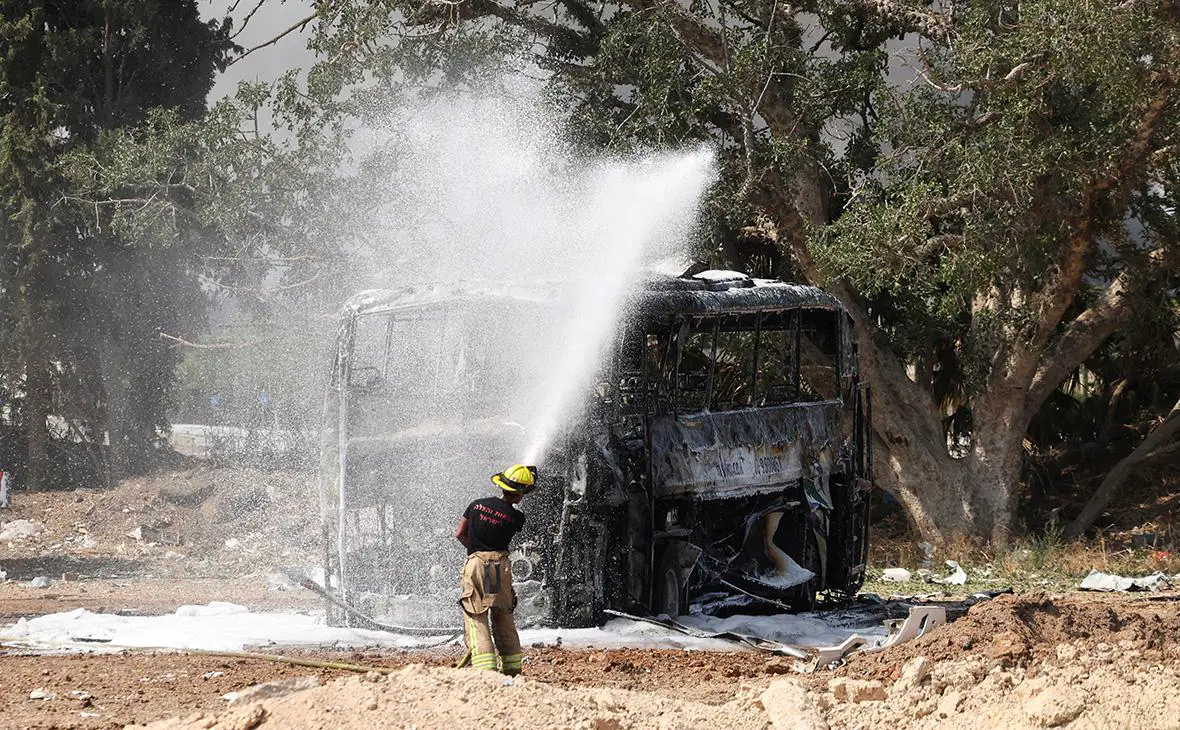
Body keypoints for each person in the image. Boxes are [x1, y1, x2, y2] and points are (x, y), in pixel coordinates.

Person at [454, 463, 536, 676]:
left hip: (476, 563)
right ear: (520, 495)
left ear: (501, 485)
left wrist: (475, 550)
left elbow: (459, 533)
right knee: (502, 615)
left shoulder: (476, 505)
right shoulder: (517, 518)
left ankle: (485, 671)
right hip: (499, 567)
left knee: (476, 616)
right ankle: (512, 670)